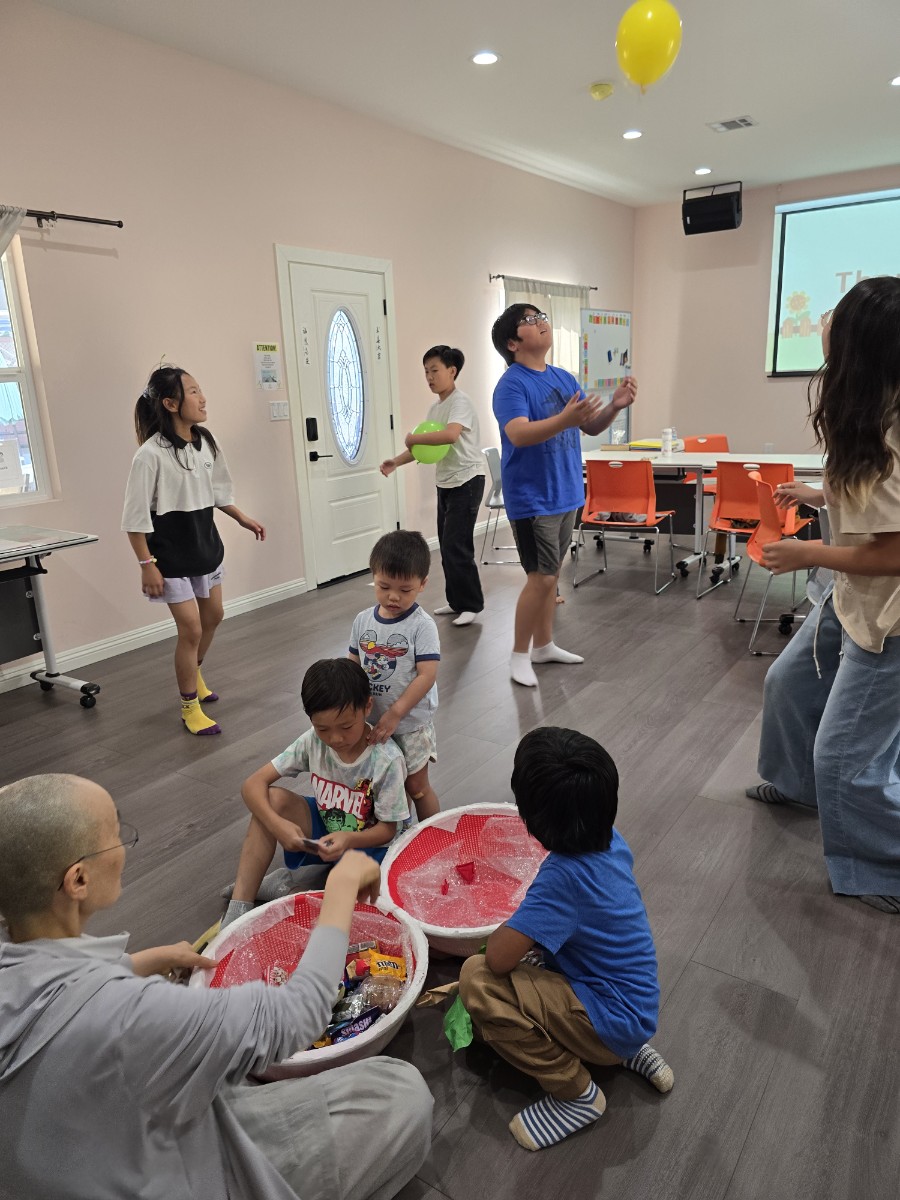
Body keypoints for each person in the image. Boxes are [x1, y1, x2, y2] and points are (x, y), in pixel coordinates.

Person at [0, 773, 432, 1200]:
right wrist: (340, 888)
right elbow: (302, 1011)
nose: (123, 846)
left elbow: (58, 999)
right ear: (78, 880)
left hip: (105, 1152)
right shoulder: (129, 1014)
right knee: (401, 1092)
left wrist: (138, 963)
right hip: (174, 1171)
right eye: (114, 835)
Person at [746, 278, 900, 915]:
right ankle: (798, 785)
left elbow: (894, 551)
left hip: (891, 616)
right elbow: (865, 489)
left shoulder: (891, 428)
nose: (824, 324)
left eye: (837, 321)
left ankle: (883, 867)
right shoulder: (870, 406)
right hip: (854, 594)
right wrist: (818, 494)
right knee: (788, 683)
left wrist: (807, 553)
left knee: (846, 755)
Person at [459, 727, 673, 1151]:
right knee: (536, 962)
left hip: (610, 1019)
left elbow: (498, 959)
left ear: (531, 820)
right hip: (637, 1006)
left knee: (477, 979)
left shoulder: (562, 878)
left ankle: (576, 1093)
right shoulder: (612, 840)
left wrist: (517, 924)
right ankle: (626, 1050)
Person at [490, 305, 637, 687]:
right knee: (540, 579)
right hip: (532, 498)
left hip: (566, 492)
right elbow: (518, 433)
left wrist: (615, 405)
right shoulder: (511, 385)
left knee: (551, 576)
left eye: (541, 316)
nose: (541, 322)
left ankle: (543, 646)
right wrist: (565, 420)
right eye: (529, 320)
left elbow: (590, 426)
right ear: (512, 343)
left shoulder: (563, 377)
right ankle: (518, 655)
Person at [122, 365, 266, 736]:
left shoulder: (206, 442)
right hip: (169, 556)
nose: (203, 399)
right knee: (190, 629)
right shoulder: (149, 456)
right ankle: (189, 707)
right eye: (193, 392)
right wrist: (146, 564)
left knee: (213, 616)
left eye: (200, 390)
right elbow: (135, 519)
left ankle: (194, 672)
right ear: (170, 404)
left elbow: (218, 492)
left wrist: (242, 518)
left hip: (204, 547)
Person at [221, 658, 409, 929]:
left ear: (367, 707)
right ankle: (239, 906)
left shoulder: (386, 759)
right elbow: (252, 784)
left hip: (374, 850)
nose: (335, 739)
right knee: (272, 800)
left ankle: (283, 887)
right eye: (323, 729)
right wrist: (278, 825)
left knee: (361, 913)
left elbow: (388, 830)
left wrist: (349, 838)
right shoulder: (312, 741)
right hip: (328, 830)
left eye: (346, 727)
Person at [380, 346, 486, 627]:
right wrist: (396, 462)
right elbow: (425, 447)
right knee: (446, 545)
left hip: (467, 480)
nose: (429, 377)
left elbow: (450, 436)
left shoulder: (460, 402)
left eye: (434, 370)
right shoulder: (435, 407)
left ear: (452, 371)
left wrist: (413, 438)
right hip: (447, 481)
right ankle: (456, 601)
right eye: (426, 371)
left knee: (457, 545)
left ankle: (471, 604)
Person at [349, 530, 441, 821]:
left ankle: (433, 837)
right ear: (373, 576)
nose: (393, 596)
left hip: (409, 724)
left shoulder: (422, 626)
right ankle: (400, 836)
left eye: (405, 589)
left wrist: (396, 713)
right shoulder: (362, 621)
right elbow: (352, 666)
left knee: (416, 787)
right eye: (384, 586)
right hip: (373, 722)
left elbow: (426, 676)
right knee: (387, 787)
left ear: (422, 584)